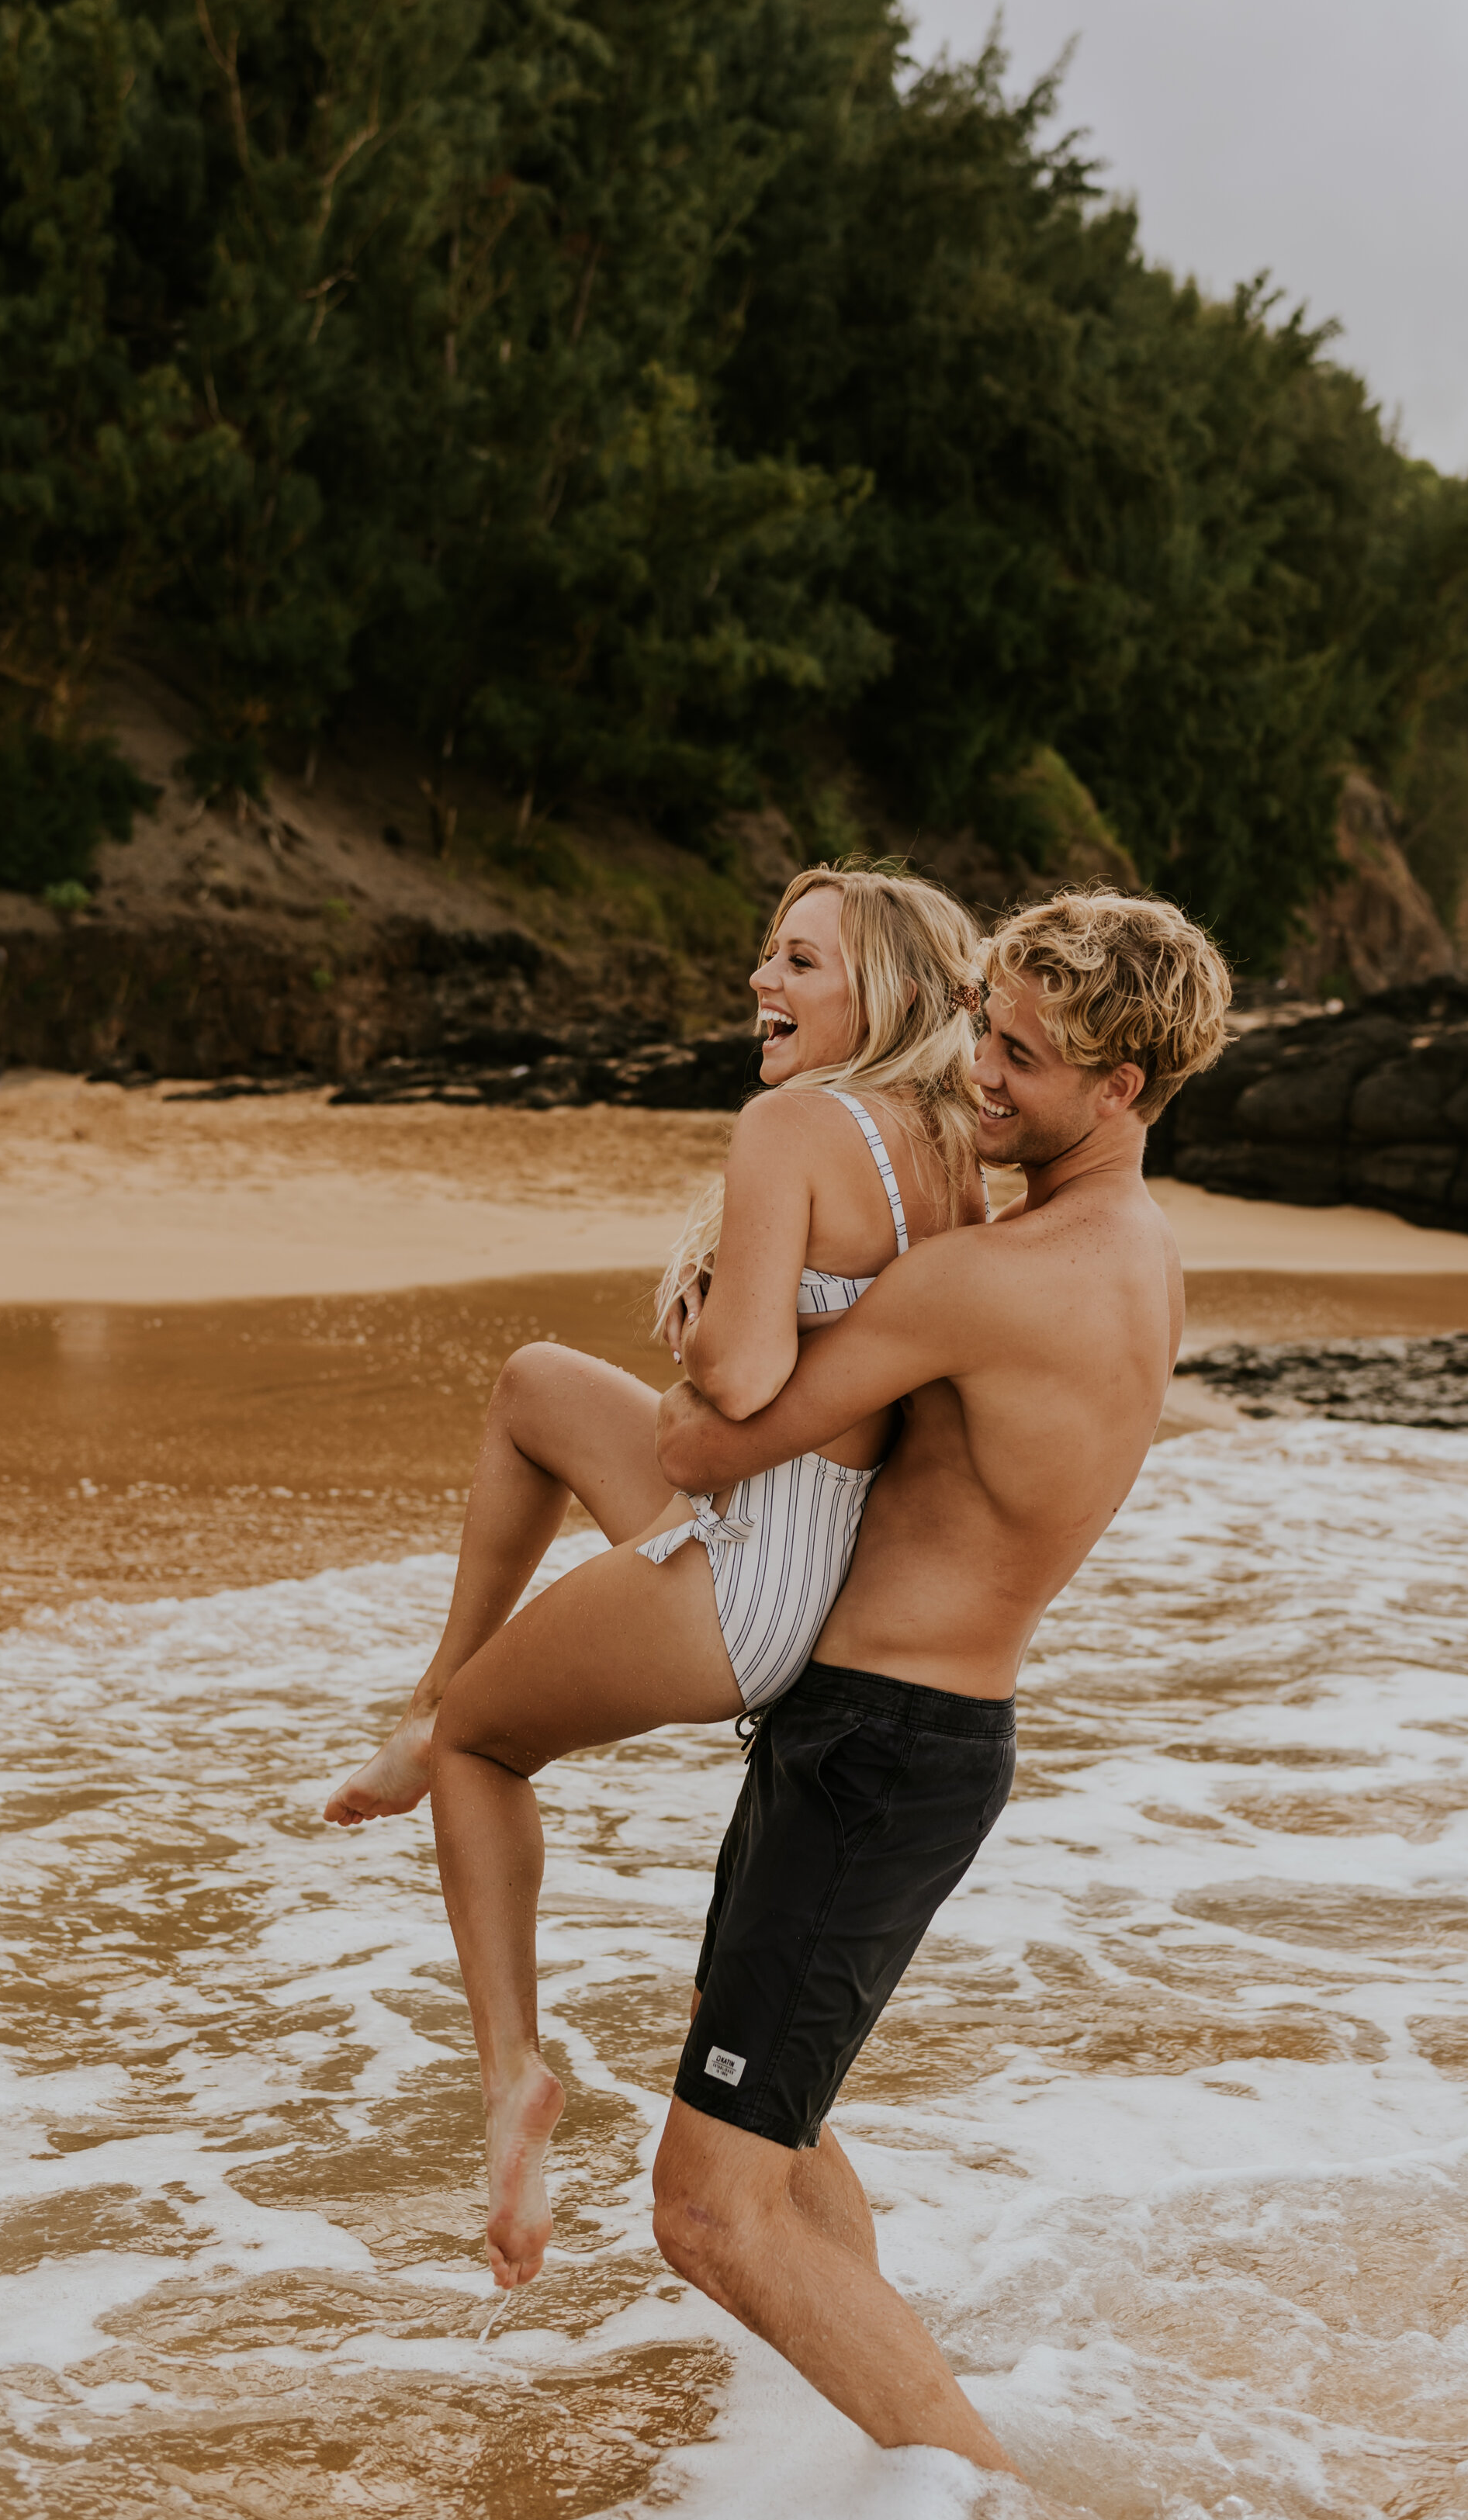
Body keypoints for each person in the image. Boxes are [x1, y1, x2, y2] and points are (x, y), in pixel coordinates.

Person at [322, 862, 988, 2283]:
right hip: (827, 1571)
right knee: (536, 1386)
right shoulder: (946, 1156)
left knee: (482, 1752)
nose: (765, 980)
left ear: (882, 991)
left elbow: (738, 1377)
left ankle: (511, 2074)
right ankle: (428, 1686)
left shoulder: (796, 1126)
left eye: (802, 962)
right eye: (769, 953)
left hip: (742, 1581)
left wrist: (699, 1314)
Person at [647, 885, 1233, 2480]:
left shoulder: (991, 1276)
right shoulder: (1141, 1251)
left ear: (1119, 1090)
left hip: (876, 1750)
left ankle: (978, 2486)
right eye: (981, 1023)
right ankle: (867, 2438)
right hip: (908, 1737)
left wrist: (720, 1302)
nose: (978, 1071)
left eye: (1022, 1056)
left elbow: (720, 1430)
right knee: (772, 2122)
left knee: (703, 2207)